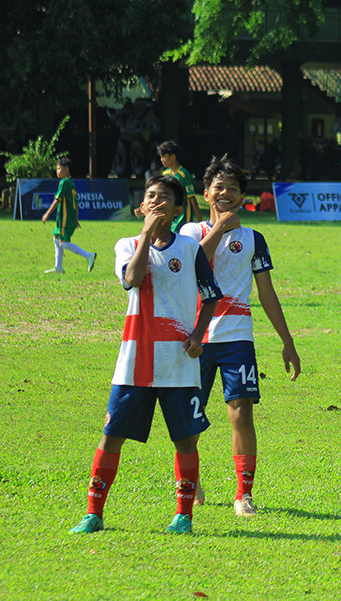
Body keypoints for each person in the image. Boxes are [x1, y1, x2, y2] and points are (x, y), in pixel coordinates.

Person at [69, 175, 222, 535]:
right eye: (150, 196)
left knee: (184, 439)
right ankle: (94, 513)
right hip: (134, 361)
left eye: (164, 197)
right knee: (111, 435)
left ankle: (183, 515)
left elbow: (211, 294)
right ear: (141, 207)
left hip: (178, 363)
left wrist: (199, 335)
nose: (156, 201)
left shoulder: (189, 248)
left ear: (177, 209)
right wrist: (145, 237)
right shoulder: (125, 244)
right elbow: (132, 279)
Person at [180, 156, 301, 517]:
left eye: (233, 189)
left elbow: (266, 293)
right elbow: (191, 265)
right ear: (205, 195)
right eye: (219, 187)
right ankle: (191, 479)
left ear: (243, 196)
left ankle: (243, 494)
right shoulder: (190, 232)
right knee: (190, 415)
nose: (225, 194)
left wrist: (287, 340)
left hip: (237, 337)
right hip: (194, 338)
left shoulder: (253, 239)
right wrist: (219, 228)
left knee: (241, 413)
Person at [40, 157, 97, 274]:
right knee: (56, 238)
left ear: (66, 169)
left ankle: (89, 256)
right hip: (66, 218)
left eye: (59, 169)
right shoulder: (71, 184)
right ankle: (58, 267)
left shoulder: (65, 183)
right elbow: (76, 204)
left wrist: (46, 214)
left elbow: (57, 200)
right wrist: (76, 219)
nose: (57, 171)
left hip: (65, 218)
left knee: (63, 242)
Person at [159, 141, 203, 232]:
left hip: (182, 220)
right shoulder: (165, 173)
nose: (161, 160)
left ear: (173, 157)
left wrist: (201, 223)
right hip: (169, 218)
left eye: (163, 157)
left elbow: (192, 199)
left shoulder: (184, 175)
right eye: (161, 157)